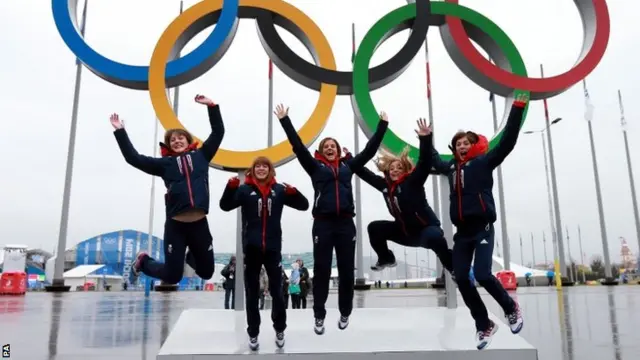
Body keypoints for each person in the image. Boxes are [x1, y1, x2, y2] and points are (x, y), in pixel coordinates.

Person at [275, 103, 389, 335]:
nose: (330, 148)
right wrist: (285, 120)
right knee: (322, 269)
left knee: (347, 271)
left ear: (338, 150)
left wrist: (382, 126)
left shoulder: (349, 166)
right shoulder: (315, 167)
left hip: (346, 224)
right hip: (323, 224)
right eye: (326, 146)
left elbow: (368, 151)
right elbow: (298, 147)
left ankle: (345, 311)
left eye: (333, 146)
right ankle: (319, 314)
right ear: (321, 151)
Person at [429, 94, 528, 350]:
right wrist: (425, 138)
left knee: (483, 273)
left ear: (472, 145)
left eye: (465, 143)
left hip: (482, 227)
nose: (461, 146)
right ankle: (483, 324)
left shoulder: (484, 162)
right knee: (461, 277)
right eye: (457, 144)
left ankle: (510, 307)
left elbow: (507, 142)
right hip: (462, 233)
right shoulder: (451, 167)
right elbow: (434, 160)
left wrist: (517, 108)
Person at [111, 94, 224, 286]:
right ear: (169, 145)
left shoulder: (202, 156)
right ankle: (143, 261)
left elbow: (218, 132)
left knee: (206, 271)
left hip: (199, 224)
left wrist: (211, 106)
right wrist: (121, 132)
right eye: (173, 140)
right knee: (173, 276)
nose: (177, 141)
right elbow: (133, 158)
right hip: (176, 226)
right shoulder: (165, 164)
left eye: (181, 138)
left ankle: (191, 255)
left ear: (188, 141)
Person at [219, 156, 309, 350]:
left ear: (270, 170)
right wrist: (230, 187)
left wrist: (295, 192)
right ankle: (253, 333)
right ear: (252, 170)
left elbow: (304, 205)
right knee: (252, 294)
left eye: (265, 166)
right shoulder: (244, 190)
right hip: (251, 250)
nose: (261, 169)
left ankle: (280, 329)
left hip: (273, 249)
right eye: (257, 166)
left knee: (277, 292)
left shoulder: (279, 190)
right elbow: (225, 206)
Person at [349, 118, 453, 276]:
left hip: (425, 230)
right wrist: (349, 159)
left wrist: (425, 139)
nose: (395, 170)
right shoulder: (385, 186)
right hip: (405, 233)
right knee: (374, 228)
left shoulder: (413, 181)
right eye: (391, 168)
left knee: (435, 238)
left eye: (399, 168)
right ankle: (386, 258)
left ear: (405, 169)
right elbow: (364, 173)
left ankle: (453, 268)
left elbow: (424, 163)